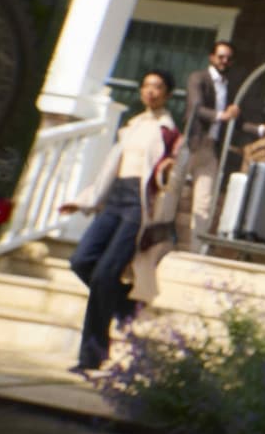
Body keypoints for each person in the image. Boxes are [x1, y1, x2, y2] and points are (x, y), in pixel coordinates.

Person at [58, 69, 188, 373]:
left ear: (167, 94)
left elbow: (173, 176)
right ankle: (125, 305)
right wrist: (83, 200)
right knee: (81, 260)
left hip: (138, 206)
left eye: (157, 88)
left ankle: (91, 356)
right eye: (146, 86)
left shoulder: (169, 132)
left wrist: (172, 164)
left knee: (104, 275)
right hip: (115, 198)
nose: (151, 92)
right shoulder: (132, 126)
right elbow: (109, 169)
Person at [183, 39, 242, 252]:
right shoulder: (199, 78)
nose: (224, 61)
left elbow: (237, 121)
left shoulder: (228, 87)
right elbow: (196, 108)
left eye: (228, 58)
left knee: (204, 203)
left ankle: (195, 250)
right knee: (169, 194)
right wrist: (222, 115)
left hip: (211, 149)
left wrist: (263, 128)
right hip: (191, 145)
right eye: (220, 56)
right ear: (211, 57)